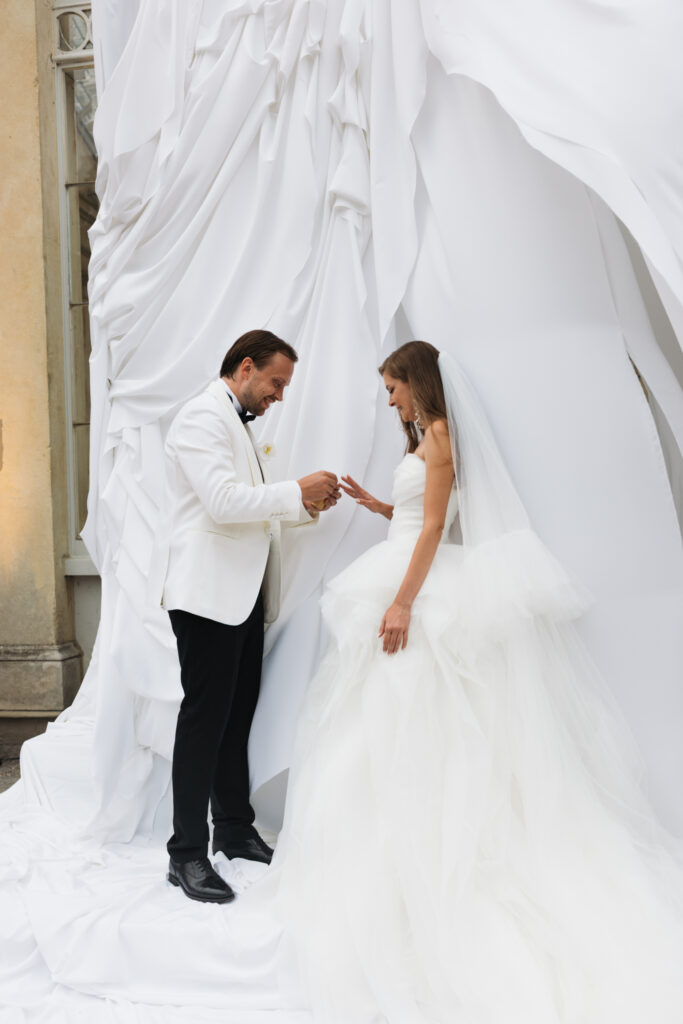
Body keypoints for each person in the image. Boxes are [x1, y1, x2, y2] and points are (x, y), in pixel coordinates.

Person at [258, 340, 683, 1023]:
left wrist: (402, 602)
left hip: (414, 581)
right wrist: (373, 503)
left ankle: (421, 861)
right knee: (378, 721)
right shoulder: (424, 437)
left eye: (393, 387)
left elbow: (434, 525)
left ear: (416, 382)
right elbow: (411, 513)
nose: (389, 399)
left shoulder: (443, 432)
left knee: (418, 716)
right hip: (399, 560)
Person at [153, 329, 340, 904]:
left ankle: (233, 828)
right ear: (246, 367)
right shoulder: (200, 419)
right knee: (204, 723)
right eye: (276, 382)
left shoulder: (234, 423)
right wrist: (294, 488)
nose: (279, 395)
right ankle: (185, 854)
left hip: (243, 596)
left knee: (236, 721)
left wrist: (304, 503)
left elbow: (251, 512)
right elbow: (223, 502)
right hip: (207, 597)